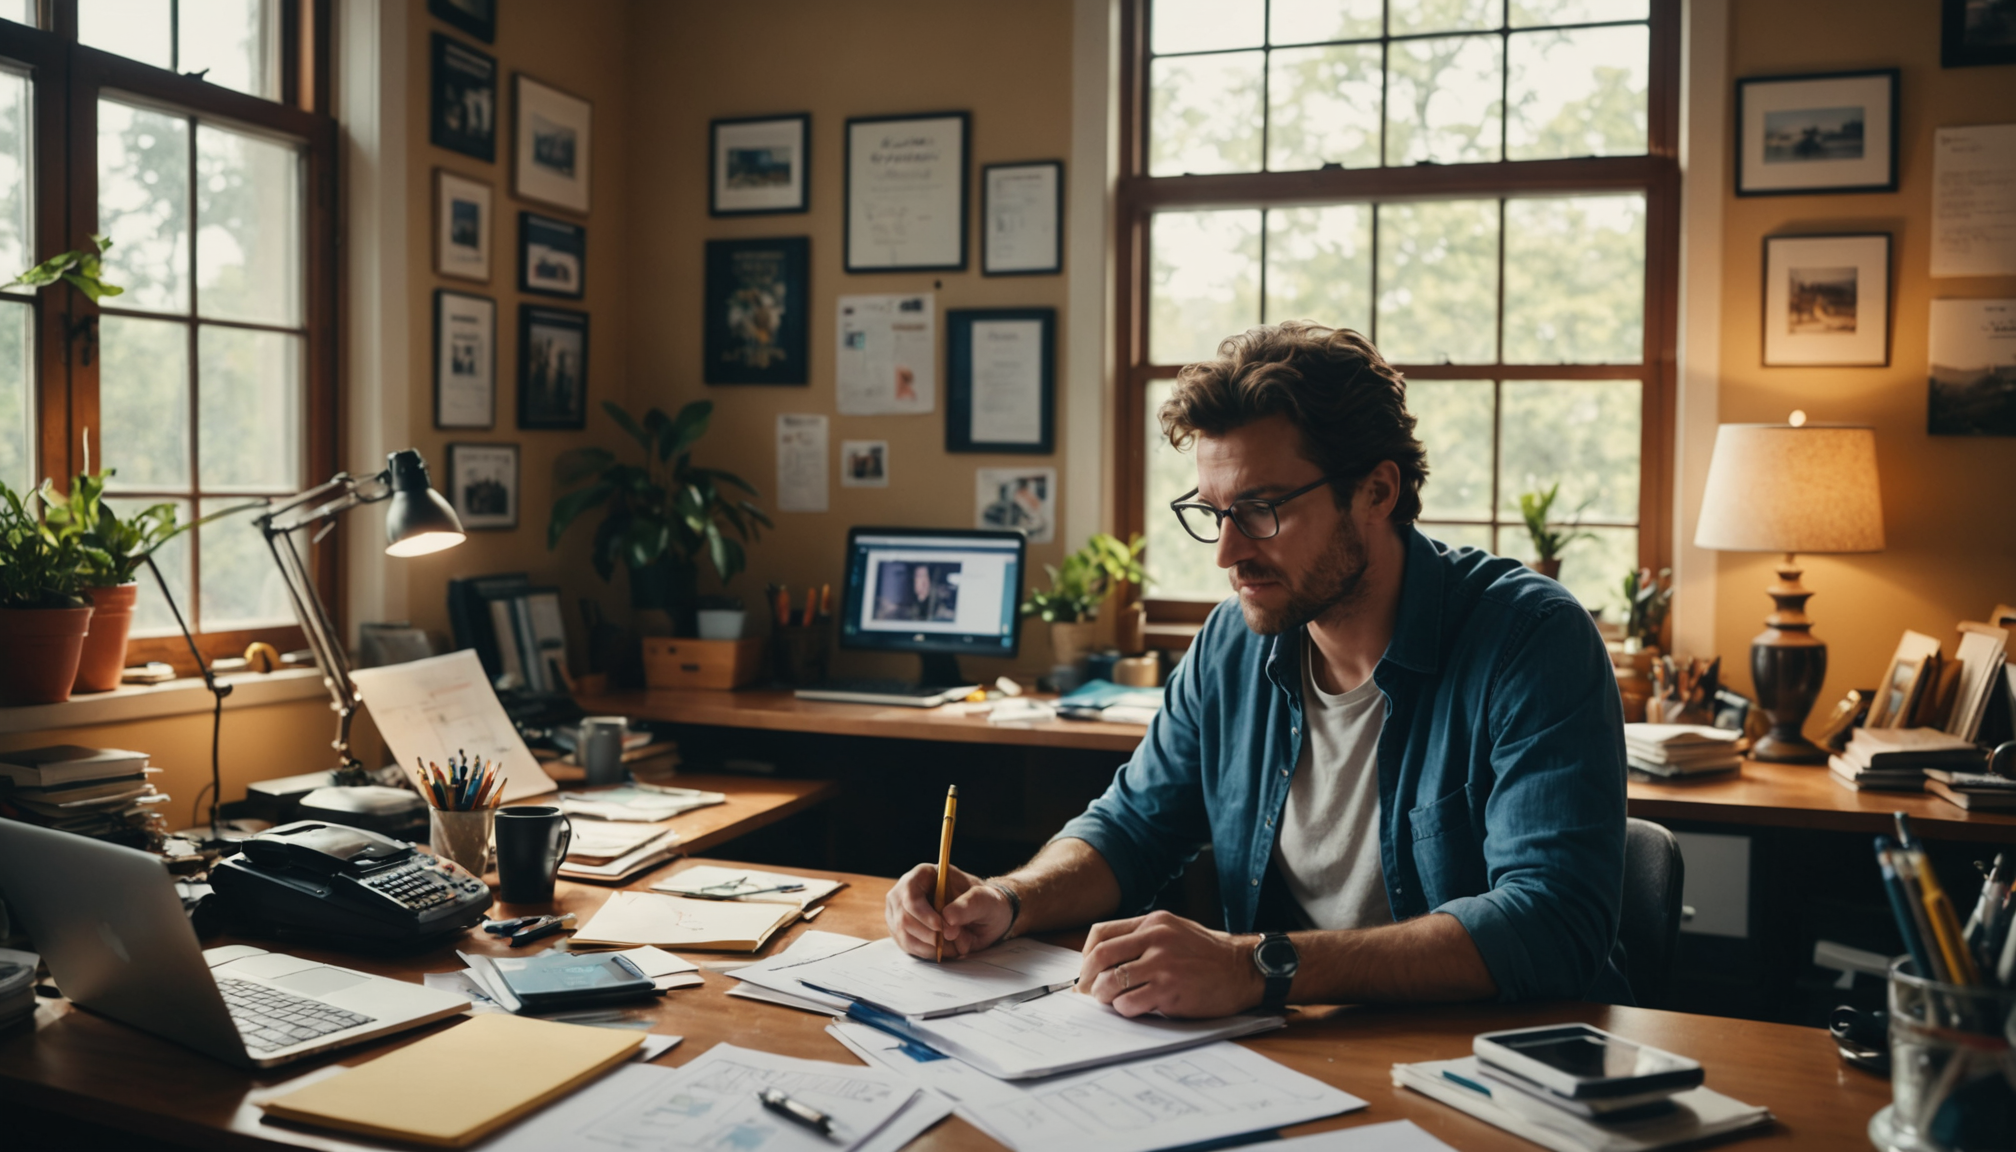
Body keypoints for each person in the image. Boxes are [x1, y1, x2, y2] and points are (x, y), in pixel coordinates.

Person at [884, 322, 1629, 1016]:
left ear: (1377, 491)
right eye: (1213, 512)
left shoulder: (1530, 640)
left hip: (1485, 1064)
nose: (1227, 554)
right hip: (1291, 1055)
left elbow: (1551, 923)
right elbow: (1133, 827)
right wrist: (1007, 899)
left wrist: (1255, 967)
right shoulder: (1231, 644)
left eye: (1263, 509)